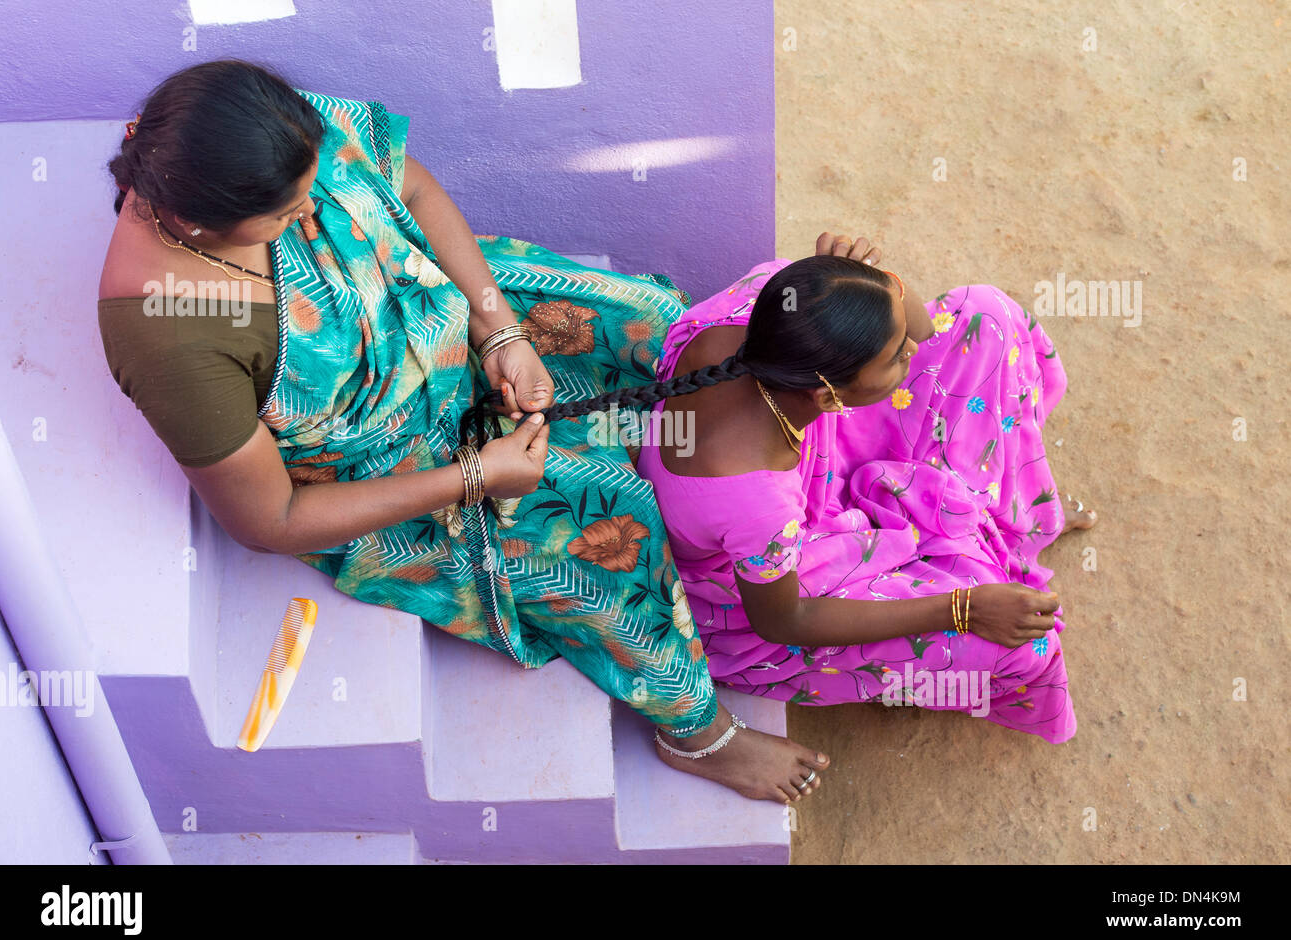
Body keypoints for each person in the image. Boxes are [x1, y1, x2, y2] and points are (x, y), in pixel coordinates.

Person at [96, 59, 828, 806]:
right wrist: (481, 476)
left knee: (652, 326)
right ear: (195, 224)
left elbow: (408, 189)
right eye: (287, 217)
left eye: (312, 189)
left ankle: (747, 478)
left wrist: (499, 330)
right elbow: (269, 517)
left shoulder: (261, 128)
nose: (312, 211)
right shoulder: (173, 333)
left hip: (443, 310)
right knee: (610, 523)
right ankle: (698, 734)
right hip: (400, 464)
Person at [531, 234, 1097, 744]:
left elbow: (923, 330)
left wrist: (870, 288)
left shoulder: (766, 299)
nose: (912, 354)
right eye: (894, 359)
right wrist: (961, 608)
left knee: (985, 316)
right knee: (1023, 644)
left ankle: (1009, 510)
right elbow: (785, 621)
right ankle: (996, 515)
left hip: (816, 445)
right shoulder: (753, 502)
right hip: (773, 581)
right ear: (829, 395)